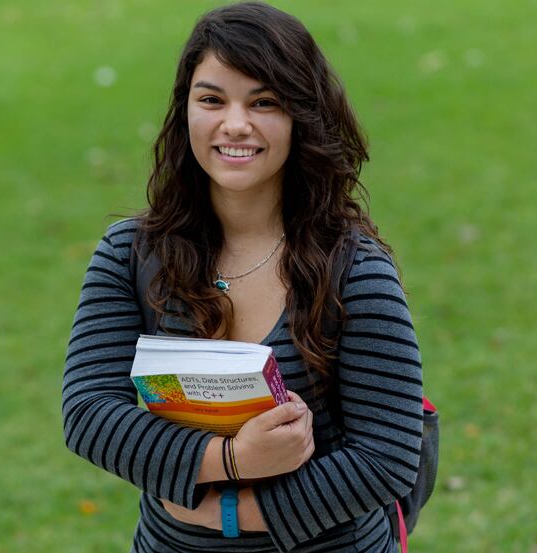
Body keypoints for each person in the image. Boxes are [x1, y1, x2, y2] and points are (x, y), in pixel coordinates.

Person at [62, 2, 423, 552]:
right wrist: (232, 460)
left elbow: (388, 457)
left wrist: (233, 513)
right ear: (185, 110)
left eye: (265, 102)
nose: (235, 124)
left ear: (302, 117)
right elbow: (88, 414)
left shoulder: (354, 268)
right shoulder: (131, 254)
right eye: (211, 99)